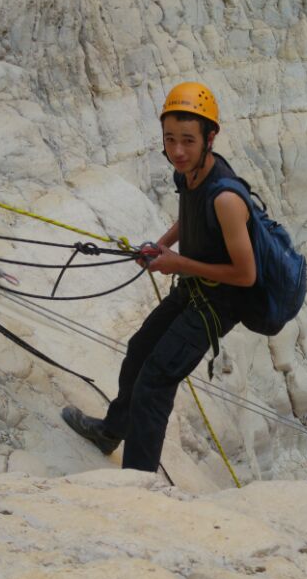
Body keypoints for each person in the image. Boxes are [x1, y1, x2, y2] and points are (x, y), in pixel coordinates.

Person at [62, 81, 256, 472]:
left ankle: (138, 484)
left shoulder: (227, 198)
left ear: (210, 138)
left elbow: (246, 275)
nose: (178, 151)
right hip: (198, 286)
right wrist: (161, 244)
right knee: (138, 351)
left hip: (222, 301)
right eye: (170, 139)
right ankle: (110, 432)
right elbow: (190, 218)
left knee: (155, 382)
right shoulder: (190, 175)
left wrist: (177, 263)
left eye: (188, 140)